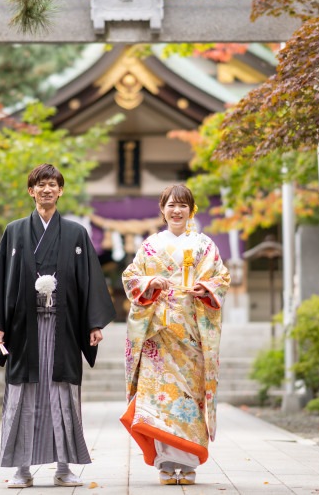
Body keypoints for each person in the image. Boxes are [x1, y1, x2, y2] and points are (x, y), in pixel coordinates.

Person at [0, 163, 116, 488]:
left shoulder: (75, 233)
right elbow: (2, 279)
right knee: (24, 395)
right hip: (23, 328)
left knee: (62, 394)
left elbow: (88, 279)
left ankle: (63, 467)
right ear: (31, 191)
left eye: (52, 184)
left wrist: (94, 322)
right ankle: (21, 469)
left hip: (64, 328)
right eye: (40, 184)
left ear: (60, 191)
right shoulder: (14, 231)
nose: (46, 189)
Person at [120, 184, 230, 486]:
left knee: (189, 396)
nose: (176, 210)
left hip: (192, 330)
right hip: (158, 332)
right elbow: (130, 277)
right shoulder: (150, 245)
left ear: (190, 210)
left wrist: (205, 288)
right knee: (159, 398)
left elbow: (222, 277)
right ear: (162, 209)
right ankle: (166, 462)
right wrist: (151, 281)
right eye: (171, 205)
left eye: (183, 205)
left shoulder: (204, 245)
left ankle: (189, 460)